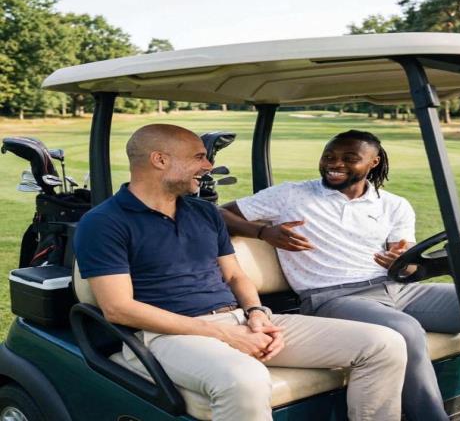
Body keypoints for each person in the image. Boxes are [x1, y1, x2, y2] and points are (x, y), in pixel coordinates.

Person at [73, 124, 407, 421]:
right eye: (198, 157)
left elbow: (235, 276)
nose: (208, 166)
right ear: (159, 160)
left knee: (384, 344)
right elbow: (118, 308)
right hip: (166, 335)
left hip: (238, 319)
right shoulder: (104, 222)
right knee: (245, 379)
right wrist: (223, 335)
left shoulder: (204, 213)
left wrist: (257, 313)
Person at [221, 129, 460, 421]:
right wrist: (263, 232)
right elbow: (219, 214)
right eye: (329, 156)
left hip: (396, 288)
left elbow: (407, 266)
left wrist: (401, 263)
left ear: (373, 162)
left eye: (350, 158)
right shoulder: (290, 195)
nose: (335, 164)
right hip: (334, 297)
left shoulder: (394, 204)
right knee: (406, 330)